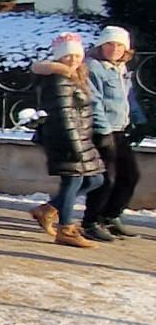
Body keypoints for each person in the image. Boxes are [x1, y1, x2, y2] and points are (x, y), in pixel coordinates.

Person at [28, 32, 105, 248]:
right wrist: (75, 145)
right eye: (67, 56)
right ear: (59, 58)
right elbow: (63, 115)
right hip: (66, 138)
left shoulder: (75, 75)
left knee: (95, 179)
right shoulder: (59, 78)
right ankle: (66, 229)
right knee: (74, 180)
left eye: (76, 55)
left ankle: (48, 209)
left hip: (79, 137)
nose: (73, 60)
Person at [84, 25, 142, 241]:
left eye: (119, 45)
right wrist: (103, 131)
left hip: (119, 130)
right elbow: (93, 100)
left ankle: (111, 215)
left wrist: (139, 121)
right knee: (103, 179)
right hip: (100, 130)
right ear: (101, 45)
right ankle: (90, 222)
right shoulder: (93, 67)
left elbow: (129, 98)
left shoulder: (121, 68)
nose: (115, 49)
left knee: (130, 175)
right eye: (110, 44)